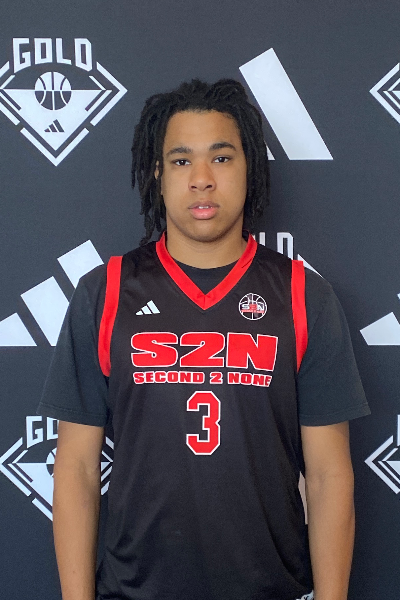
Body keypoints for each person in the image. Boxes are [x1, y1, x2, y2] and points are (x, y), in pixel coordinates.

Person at [38, 78, 370, 600]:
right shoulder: (106, 293)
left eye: (221, 158)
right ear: (157, 173)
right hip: (133, 591)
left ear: (249, 168)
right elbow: (76, 467)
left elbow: (329, 475)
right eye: (180, 160)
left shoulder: (304, 296)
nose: (201, 180)